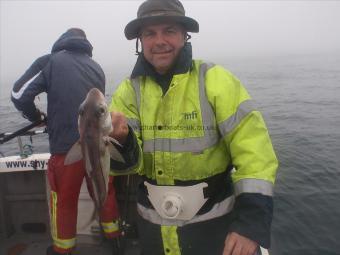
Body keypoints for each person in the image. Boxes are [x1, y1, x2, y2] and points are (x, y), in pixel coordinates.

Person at [108, 0, 279, 254]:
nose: (159, 41)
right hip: (151, 232)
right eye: (149, 33)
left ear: (184, 36)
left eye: (169, 31)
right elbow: (125, 166)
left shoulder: (216, 80)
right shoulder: (127, 91)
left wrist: (249, 225)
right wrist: (121, 141)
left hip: (214, 231)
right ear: (140, 42)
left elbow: (256, 156)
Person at [11, 28, 121, 255]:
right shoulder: (97, 68)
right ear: (85, 46)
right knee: (105, 192)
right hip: (99, 148)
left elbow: (19, 95)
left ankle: (63, 250)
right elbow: (99, 110)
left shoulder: (50, 61)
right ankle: (114, 241)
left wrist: (37, 117)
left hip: (66, 150)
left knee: (64, 201)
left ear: (60, 42)